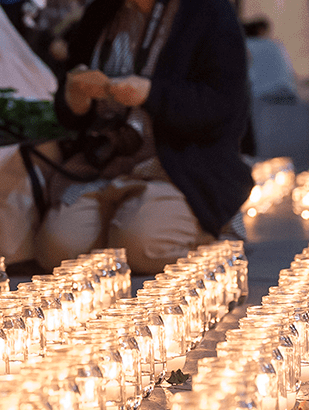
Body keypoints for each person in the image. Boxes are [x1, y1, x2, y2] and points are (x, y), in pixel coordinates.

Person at [36, 0, 252, 274]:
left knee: (142, 248)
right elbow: (71, 113)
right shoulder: (101, 12)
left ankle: (209, 233)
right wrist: (75, 97)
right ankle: (122, 231)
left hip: (176, 168)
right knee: (57, 252)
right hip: (103, 167)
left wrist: (152, 94)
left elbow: (222, 106)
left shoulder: (206, 11)